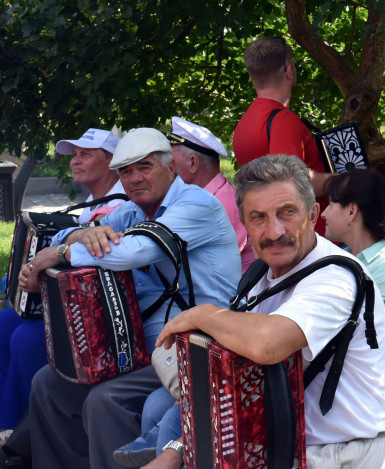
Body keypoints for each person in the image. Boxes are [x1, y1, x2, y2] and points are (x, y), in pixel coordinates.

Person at [149, 154, 385, 469]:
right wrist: (177, 451)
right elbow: (236, 378)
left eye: (287, 213)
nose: (274, 230)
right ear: (244, 223)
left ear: (314, 213)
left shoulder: (336, 278)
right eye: (259, 217)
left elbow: (268, 344)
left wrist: (202, 314)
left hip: (338, 454)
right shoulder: (264, 274)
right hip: (280, 444)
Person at [20, 128, 241, 469]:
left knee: (106, 399)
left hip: (194, 346)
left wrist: (59, 253)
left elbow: (131, 253)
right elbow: (71, 233)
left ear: (171, 169)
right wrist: (78, 235)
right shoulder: (134, 211)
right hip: (139, 344)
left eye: (145, 167)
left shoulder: (197, 205)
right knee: (49, 383)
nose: (135, 178)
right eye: (126, 171)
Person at [0, 128, 125, 460]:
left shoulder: (122, 205)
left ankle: (21, 437)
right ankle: (6, 422)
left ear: (112, 162)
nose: (75, 161)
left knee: (26, 339)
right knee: (2, 325)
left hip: (102, 311)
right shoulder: (90, 203)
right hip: (69, 300)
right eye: (74, 154)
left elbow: (99, 274)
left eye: (86, 154)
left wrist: (42, 277)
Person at [322, 168, 385, 385]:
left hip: (363, 397)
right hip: (338, 383)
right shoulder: (348, 256)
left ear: (351, 212)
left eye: (330, 205)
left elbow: (366, 343)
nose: (323, 213)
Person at [232, 36, 333, 232]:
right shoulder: (283, 121)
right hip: (314, 240)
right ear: (289, 70)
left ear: (251, 75)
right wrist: (342, 180)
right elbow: (291, 181)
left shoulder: (243, 125)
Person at [168, 115, 252, 272]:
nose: (167, 169)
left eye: (171, 162)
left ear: (193, 163)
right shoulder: (207, 196)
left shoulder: (222, 203)